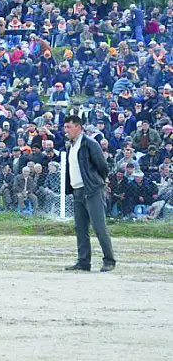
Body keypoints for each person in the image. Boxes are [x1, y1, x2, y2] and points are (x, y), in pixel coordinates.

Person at [63, 115, 116, 272]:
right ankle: (83, 261)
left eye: (69, 127)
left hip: (92, 190)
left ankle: (109, 260)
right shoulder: (71, 146)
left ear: (78, 127)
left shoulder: (90, 144)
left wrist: (98, 183)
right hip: (77, 190)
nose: (66, 130)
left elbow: (102, 166)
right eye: (65, 127)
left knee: (99, 227)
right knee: (80, 228)